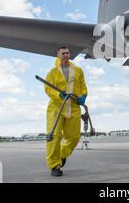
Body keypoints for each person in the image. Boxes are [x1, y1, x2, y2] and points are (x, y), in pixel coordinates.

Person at [44, 46, 87, 177]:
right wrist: (59, 95)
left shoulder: (78, 71)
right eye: (62, 53)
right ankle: (54, 166)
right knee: (54, 137)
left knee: (74, 137)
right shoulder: (52, 73)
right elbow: (48, 89)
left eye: (67, 53)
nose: (65, 55)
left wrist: (83, 96)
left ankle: (62, 154)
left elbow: (83, 86)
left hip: (73, 107)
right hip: (56, 107)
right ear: (57, 55)